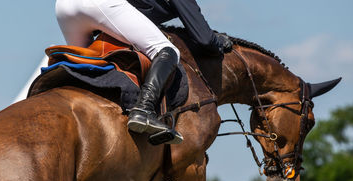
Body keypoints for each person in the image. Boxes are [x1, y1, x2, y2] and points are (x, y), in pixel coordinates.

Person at [55, 0, 232, 145]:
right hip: (98, 5)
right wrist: (219, 41)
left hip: (65, 8)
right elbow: (204, 40)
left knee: (85, 66)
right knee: (167, 50)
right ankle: (144, 110)